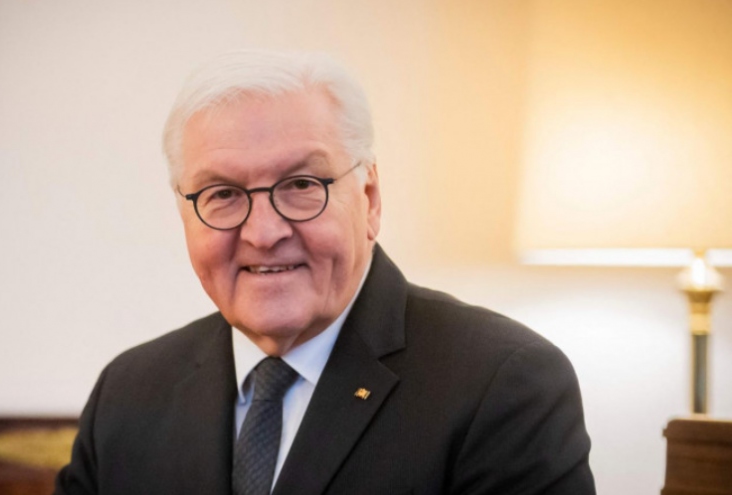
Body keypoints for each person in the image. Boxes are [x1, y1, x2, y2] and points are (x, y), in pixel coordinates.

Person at [54, 50, 595, 495]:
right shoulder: (129, 393)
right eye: (222, 194)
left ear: (370, 198)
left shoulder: (502, 383)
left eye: (301, 185)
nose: (263, 232)